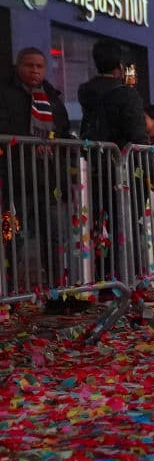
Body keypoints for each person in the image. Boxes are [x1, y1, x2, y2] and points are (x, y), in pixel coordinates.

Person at [0, 48, 76, 311]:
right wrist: (31, 143)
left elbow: (63, 131)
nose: (35, 71)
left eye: (40, 66)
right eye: (30, 65)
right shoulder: (5, 93)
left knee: (55, 239)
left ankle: (57, 294)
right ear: (18, 66)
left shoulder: (52, 97)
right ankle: (8, 296)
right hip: (14, 183)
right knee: (12, 239)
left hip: (48, 182)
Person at [78, 39, 148, 148]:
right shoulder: (128, 95)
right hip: (123, 160)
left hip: (96, 158)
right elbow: (138, 134)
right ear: (120, 66)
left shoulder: (86, 93)